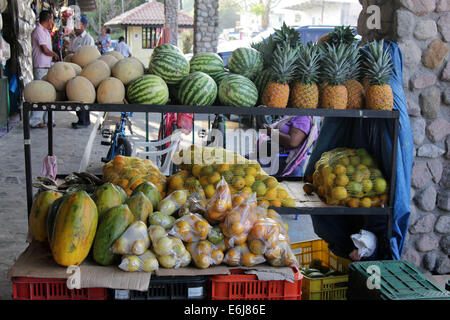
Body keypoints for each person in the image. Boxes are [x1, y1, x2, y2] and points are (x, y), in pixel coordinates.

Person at [30, 10, 59, 128]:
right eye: (52, 19)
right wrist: (55, 55)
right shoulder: (38, 31)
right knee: (40, 95)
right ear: (48, 20)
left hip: (47, 66)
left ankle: (49, 120)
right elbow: (44, 50)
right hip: (40, 67)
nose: (53, 22)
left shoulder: (46, 32)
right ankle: (35, 121)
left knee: (49, 94)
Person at [66, 14, 94, 128]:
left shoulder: (89, 39)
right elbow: (69, 52)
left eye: (78, 25)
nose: (75, 27)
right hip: (73, 70)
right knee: (75, 97)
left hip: (84, 71)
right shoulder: (74, 38)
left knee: (83, 96)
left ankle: (84, 121)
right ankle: (80, 120)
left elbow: (89, 55)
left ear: (84, 25)